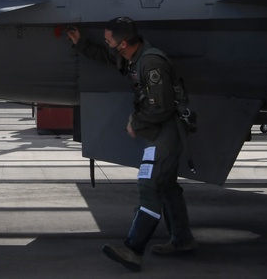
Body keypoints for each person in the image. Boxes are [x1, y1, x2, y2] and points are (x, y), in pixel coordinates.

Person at [66, 17, 196, 272]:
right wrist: (81, 43)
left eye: (109, 41)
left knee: (149, 184)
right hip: (161, 131)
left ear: (122, 43)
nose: (107, 45)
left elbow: (160, 107)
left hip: (166, 133)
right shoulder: (132, 57)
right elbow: (107, 57)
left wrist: (134, 122)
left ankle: (133, 249)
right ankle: (182, 240)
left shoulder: (151, 63)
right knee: (167, 187)